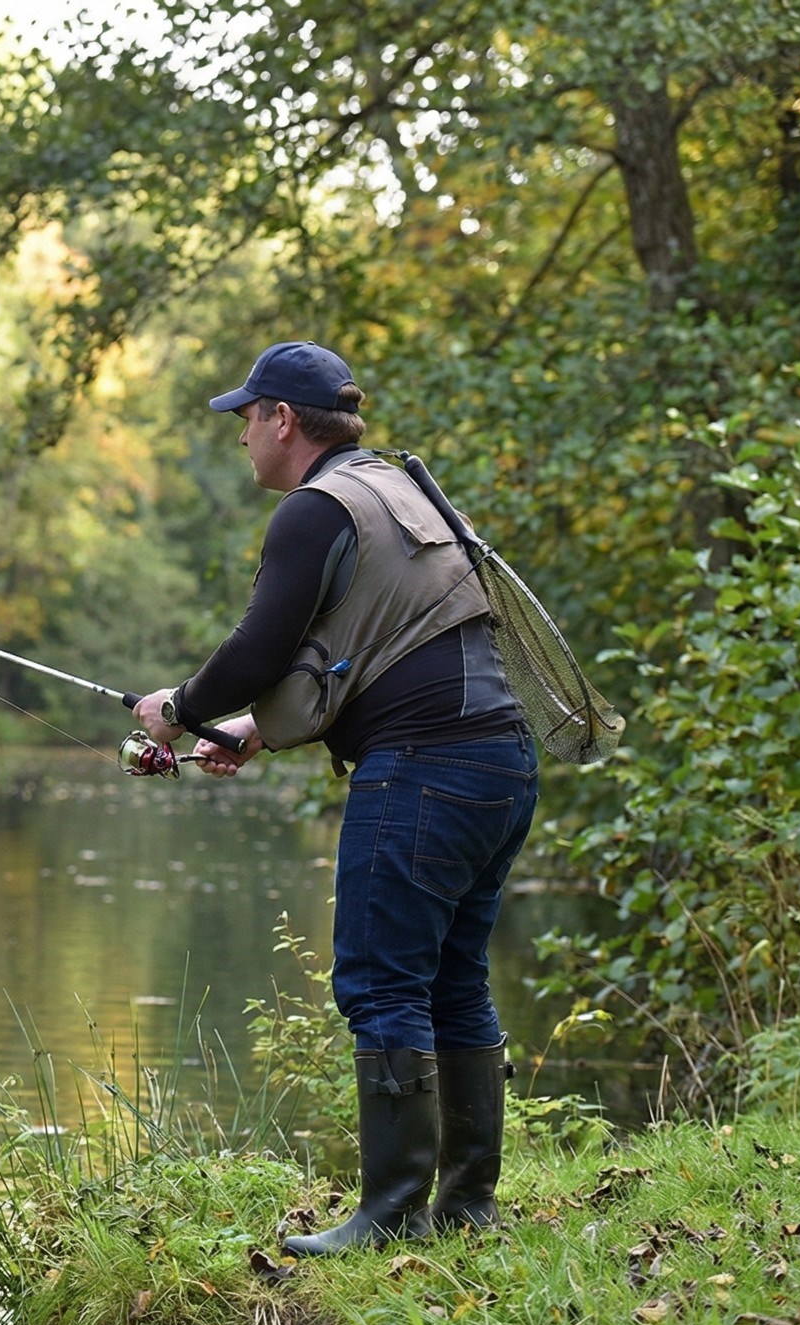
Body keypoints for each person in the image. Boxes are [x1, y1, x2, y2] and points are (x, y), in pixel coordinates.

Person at [132, 340, 538, 1256]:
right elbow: (382, 646)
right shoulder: (402, 491)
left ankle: (389, 1218)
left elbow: (257, 649)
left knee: (380, 981)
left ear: (282, 419)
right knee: (454, 982)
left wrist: (181, 711)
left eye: (245, 418)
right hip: (501, 760)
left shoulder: (315, 510)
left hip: (424, 770)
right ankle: (466, 1210)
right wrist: (248, 730)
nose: (241, 438)